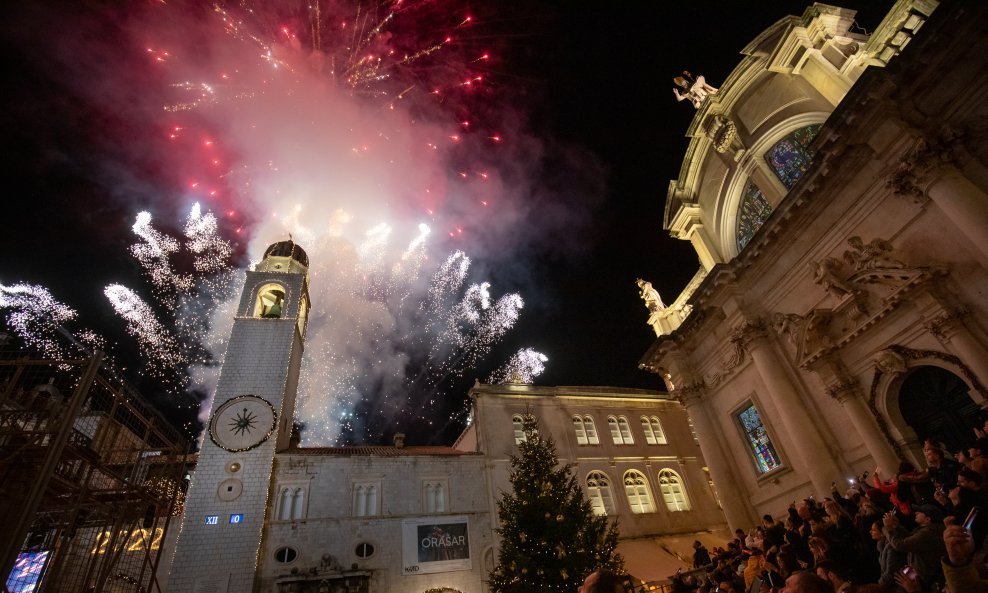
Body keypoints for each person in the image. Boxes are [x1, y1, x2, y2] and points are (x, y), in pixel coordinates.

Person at [882, 505, 947, 588]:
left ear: (928, 519)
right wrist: (896, 526)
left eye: (920, 512)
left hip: (927, 579)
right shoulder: (927, 530)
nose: (916, 513)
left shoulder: (927, 534)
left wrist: (888, 527)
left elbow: (899, 545)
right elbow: (909, 537)